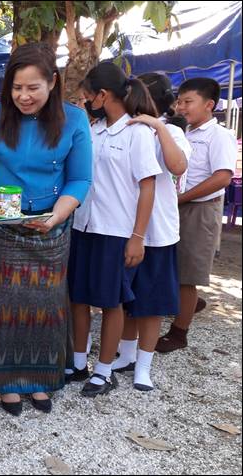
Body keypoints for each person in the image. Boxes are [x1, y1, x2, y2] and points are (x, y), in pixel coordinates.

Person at [0, 43, 92, 414]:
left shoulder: (74, 120)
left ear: (52, 83)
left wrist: (56, 216)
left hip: (52, 227)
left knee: (47, 304)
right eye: (16, 88)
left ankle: (40, 381)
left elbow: (80, 179)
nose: (23, 96)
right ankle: (6, 382)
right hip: (7, 225)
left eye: (32, 88)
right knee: (7, 303)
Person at [69, 62, 161, 397]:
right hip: (83, 225)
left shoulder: (137, 133)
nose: (85, 101)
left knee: (111, 302)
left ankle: (104, 370)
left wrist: (138, 237)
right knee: (78, 297)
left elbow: (147, 188)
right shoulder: (91, 131)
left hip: (116, 230)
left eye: (87, 96)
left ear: (103, 95)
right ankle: (78, 363)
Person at [108, 73, 191, 391]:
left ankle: (144, 365)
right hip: (122, 228)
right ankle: (127, 355)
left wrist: (158, 126)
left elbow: (178, 166)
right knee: (127, 299)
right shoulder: (125, 128)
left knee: (152, 302)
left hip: (158, 232)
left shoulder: (169, 131)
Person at [155, 78, 237, 353]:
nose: (181, 106)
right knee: (174, 263)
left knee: (188, 273)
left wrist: (179, 199)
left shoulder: (220, 135)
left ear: (209, 105)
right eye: (179, 101)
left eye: (188, 102)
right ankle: (189, 304)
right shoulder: (185, 133)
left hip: (199, 208)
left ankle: (179, 333)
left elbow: (222, 177)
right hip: (177, 205)